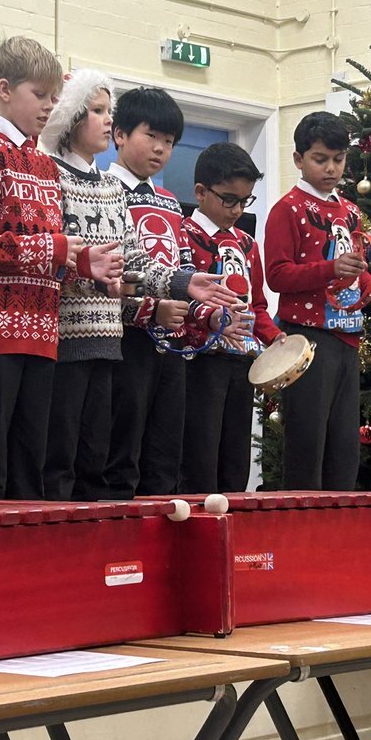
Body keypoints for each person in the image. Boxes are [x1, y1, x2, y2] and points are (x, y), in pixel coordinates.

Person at [38, 70, 235, 501]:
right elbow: (52, 257)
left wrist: (186, 284)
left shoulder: (112, 188)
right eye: (98, 111)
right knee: (62, 459)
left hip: (109, 340)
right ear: (70, 117)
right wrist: (134, 298)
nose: (108, 121)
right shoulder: (48, 174)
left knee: (102, 459)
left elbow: (133, 260)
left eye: (110, 111)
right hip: (70, 339)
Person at [0, 37, 122, 502]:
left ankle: (22, 567)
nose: (50, 107)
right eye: (39, 95)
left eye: (53, 97)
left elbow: (50, 250)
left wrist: (84, 261)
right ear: (4, 90)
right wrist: (57, 248)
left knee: (29, 465)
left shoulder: (42, 162)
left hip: (42, 331)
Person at [264, 112, 371, 491]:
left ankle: (336, 528)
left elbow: (354, 267)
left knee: (344, 444)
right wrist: (329, 269)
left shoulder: (347, 210)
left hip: (347, 337)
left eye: (338, 159)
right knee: (308, 443)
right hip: (308, 340)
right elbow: (277, 276)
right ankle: (301, 529)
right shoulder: (288, 209)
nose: (331, 168)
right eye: (319, 159)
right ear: (298, 159)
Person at [102, 87, 193, 498]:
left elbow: (183, 265)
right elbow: (111, 270)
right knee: (122, 445)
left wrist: (196, 310)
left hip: (171, 341)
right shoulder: (105, 190)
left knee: (166, 448)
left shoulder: (172, 203)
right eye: (151, 136)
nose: (160, 149)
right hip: (126, 339)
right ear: (119, 135)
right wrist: (148, 311)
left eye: (169, 142)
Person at [180, 142, 282, 494]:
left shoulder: (248, 244)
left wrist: (274, 338)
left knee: (236, 453)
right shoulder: (184, 235)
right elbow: (179, 300)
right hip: (200, 361)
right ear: (200, 192)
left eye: (245, 201)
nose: (238, 209)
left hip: (241, 361)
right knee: (200, 452)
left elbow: (257, 306)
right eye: (229, 199)